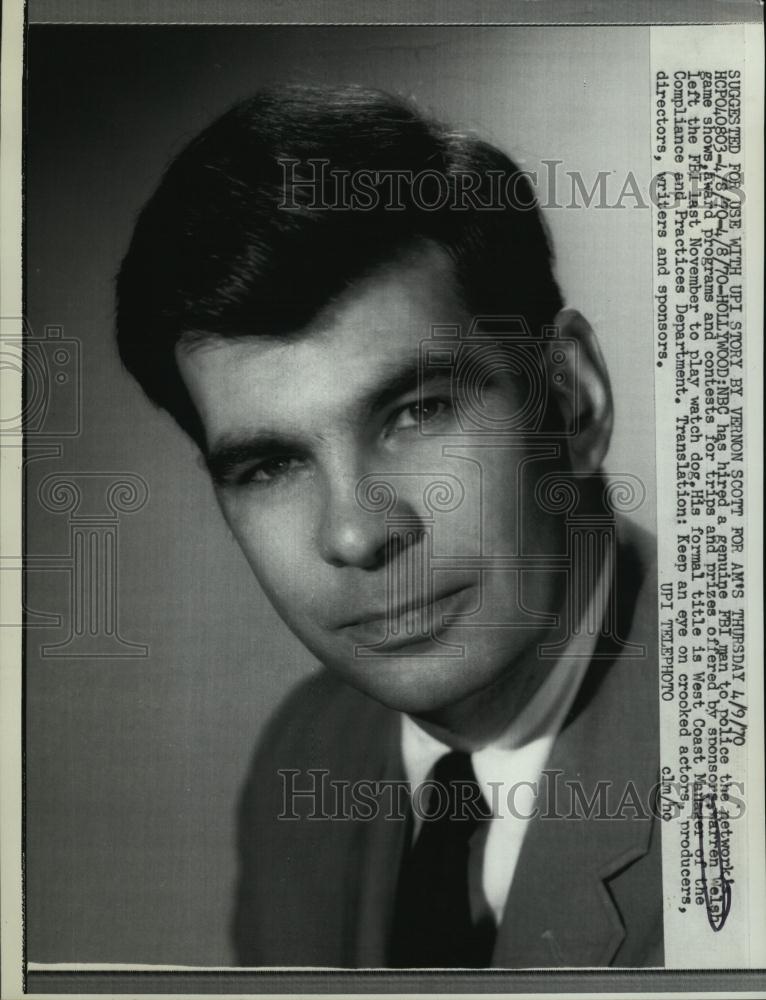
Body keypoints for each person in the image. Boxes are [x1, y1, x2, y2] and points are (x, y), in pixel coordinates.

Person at [116, 84, 662, 968]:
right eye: (270, 466)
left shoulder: (733, 766)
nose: (357, 536)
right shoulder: (309, 756)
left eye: (417, 413)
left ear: (571, 400)